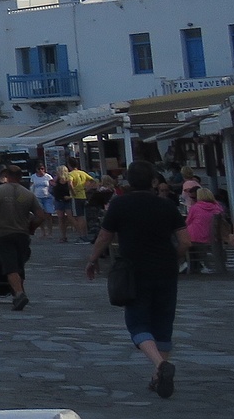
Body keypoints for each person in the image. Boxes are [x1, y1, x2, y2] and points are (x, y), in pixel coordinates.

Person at [86, 160, 189, 399]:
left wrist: (93, 259)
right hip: (165, 271)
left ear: (128, 181)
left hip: (134, 271)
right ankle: (157, 377)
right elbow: (186, 241)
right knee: (163, 323)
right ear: (153, 181)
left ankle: (160, 366)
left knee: (138, 323)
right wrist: (174, 258)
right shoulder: (166, 206)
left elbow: (104, 236)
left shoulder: (120, 204)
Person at [0, 165, 50, 310]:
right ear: (20, 177)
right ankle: (19, 290)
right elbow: (40, 216)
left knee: (10, 266)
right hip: (22, 234)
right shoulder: (27, 194)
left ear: (6, 176)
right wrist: (31, 227)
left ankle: (19, 294)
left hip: (3, 233)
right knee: (20, 264)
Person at [185, 187, 227, 274]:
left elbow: (187, 222)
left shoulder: (195, 208)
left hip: (195, 237)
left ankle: (192, 267)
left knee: (179, 239)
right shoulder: (218, 208)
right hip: (213, 237)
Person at [51, 167, 75, 242]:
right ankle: (63, 236)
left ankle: (80, 233)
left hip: (67, 200)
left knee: (70, 217)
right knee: (61, 218)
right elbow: (53, 188)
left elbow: (72, 189)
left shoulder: (68, 179)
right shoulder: (56, 179)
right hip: (58, 200)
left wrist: (71, 196)